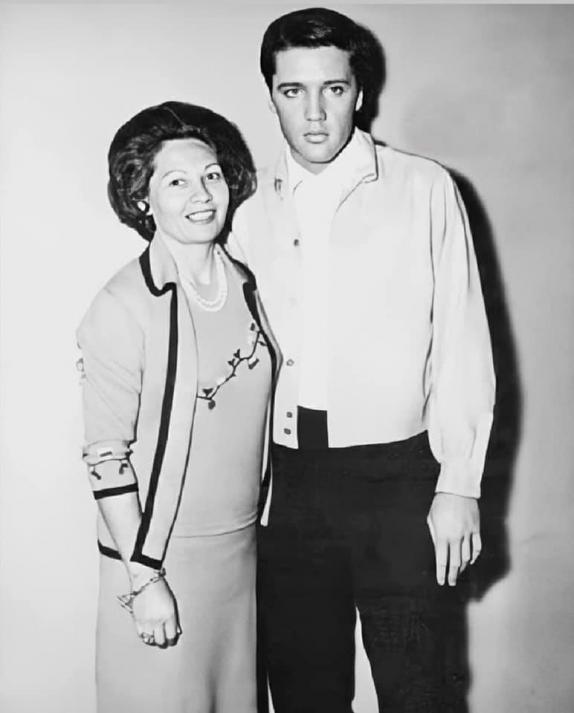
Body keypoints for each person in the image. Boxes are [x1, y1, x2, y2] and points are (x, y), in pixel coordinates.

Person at [228, 7, 496, 713]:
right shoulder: (245, 208)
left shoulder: (425, 188)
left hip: (400, 481)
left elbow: (462, 340)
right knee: (304, 696)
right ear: (271, 95)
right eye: (293, 91)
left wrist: (459, 484)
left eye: (334, 88)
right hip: (288, 487)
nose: (315, 113)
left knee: (419, 693)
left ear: (360, 91)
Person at [77, 101, 276, 713]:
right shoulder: (122, 305)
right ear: (142, 198)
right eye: (176, 182)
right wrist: (145, 580)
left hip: (240, 553)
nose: (202, 195)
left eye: (211, 175)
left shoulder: (249, 285)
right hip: (162, 558)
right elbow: (105, 456)